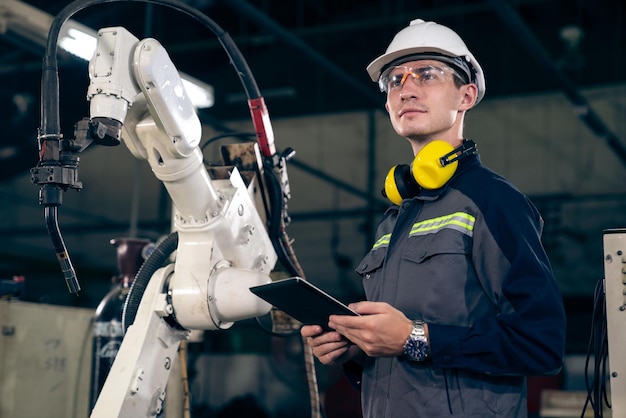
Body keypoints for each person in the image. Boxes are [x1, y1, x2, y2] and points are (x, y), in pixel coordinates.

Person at [301, 18, 567, 418]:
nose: (406, 88)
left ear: (466, 95)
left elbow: (542, 344)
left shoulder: (492, 201)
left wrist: (414, 338)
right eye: (394, 80)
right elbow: (399, 351)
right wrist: (357, 349)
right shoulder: (393, 220)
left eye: (426, 74)